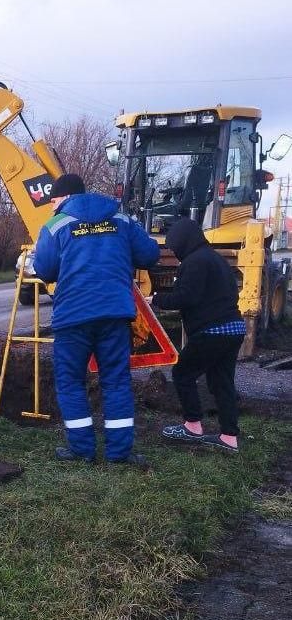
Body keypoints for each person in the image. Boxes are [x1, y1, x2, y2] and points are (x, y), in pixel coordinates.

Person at [33, 173, 160, 465]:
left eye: (53, 201)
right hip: (114, 315)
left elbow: (45, 269)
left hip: (72, 318)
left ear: (63, 198)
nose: (52, 207)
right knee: (116, 382)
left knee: (70, 383)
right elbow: (150, 254)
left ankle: (82, 450)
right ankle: (119, 453)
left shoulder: (56, 225)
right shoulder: (121, 220)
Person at [151, 218, 244, 452]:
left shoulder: (195, 262)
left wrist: (157, 300)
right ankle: (229, 437)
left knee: (182, 373)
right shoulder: (216, 259)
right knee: (222, 382)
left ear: (183, 241)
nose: (174, 251)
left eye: (174, 246)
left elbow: (186, 297)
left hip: (211, 330)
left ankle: (192, 426)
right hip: (234, 328)